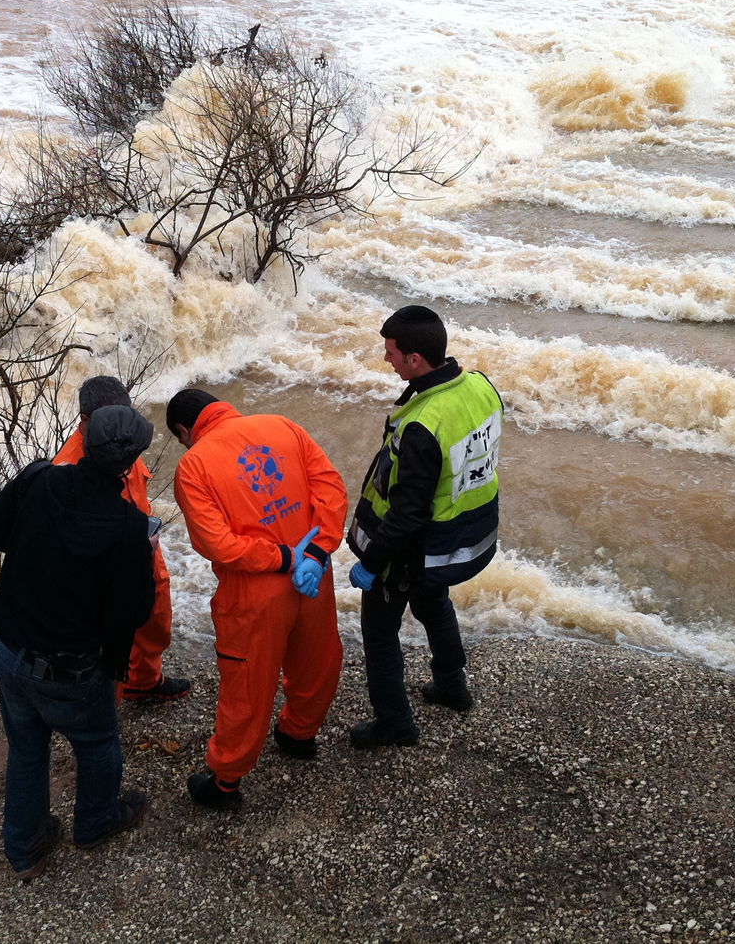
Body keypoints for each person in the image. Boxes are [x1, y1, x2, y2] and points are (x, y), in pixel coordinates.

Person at [0, 405, 157, 880]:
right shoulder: (127, 528)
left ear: (85, 440)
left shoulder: (39, 479)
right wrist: (142, 555)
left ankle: (25, 848)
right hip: (72, 670)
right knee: (97, 742)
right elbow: (135, 612)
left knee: (27, 746)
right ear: (130, 462)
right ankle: (95, 821)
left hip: (11, 651)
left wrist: (38, 541)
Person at [167, 388, 348, 810]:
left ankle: (225, 782)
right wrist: (316, 551)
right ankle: (299, 735)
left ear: (183, 430)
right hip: (313, 575)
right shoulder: (283, 426)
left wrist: (284, 557)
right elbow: (333, 491)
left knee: (246, 684)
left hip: (255, 590)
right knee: (317, 659)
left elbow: (218, 544)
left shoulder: (194, 464)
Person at [346, 305, 503, 749]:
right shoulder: (479, 386)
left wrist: (372, 562)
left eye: (391, 352)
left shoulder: (421, 425)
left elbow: (406, 515)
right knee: (434, 603)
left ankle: (394, 724)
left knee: (380, 633)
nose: (386, 359)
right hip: (457, 536)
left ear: (415, 359)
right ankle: (452, 686)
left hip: (413, 547)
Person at [52, 375, 190, 703]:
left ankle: (143, 681)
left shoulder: (122, 436)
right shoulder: (66, 470)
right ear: (85, 420)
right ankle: (107, 709)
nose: (122, 425)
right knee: (112, 642)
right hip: (109, 571)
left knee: (156, 623)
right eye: (112, 417)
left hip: (144, 550)